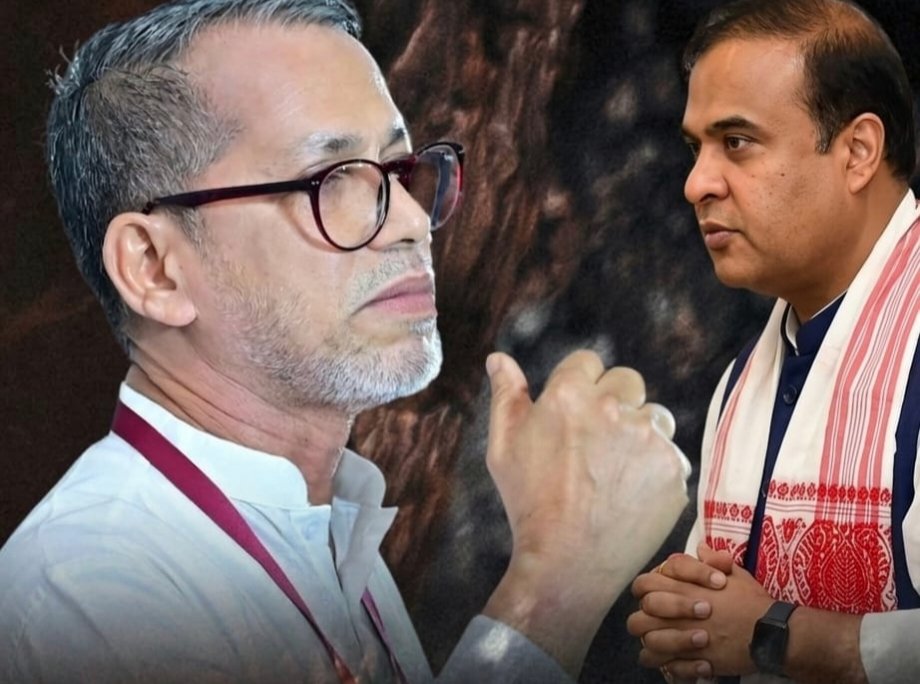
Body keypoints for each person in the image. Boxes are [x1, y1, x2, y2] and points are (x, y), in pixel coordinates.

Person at [0, 1, 692, 682]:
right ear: (154, 268)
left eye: (398, 171)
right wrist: (553, 587)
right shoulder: (92, 592)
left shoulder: (320, 523)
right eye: (329, 182)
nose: (412, 222)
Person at [627, 0, 920, 682]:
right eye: (695, 148)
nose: (696, 184)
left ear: (857, 152)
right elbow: (720, 624)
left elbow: (756, 630)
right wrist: (687, 619)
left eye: (736, 142)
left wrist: (777, 635)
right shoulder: (744, 381)